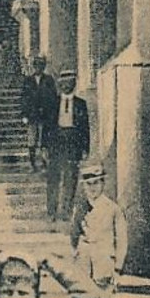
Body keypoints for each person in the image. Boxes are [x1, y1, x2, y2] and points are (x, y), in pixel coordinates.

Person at [71, 162, 135, 298]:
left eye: (96, 183)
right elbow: (73, 234)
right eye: (89, 184)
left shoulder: (112, 209)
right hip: (84, 265)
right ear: (84, 186)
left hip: (103, 266)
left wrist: (118, 267)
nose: (92, 188)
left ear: (103, 184)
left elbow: (122, 240)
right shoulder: (80, 208)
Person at [44, 69, 90, 223]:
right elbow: (47, 126)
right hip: (56, 143)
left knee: (71, 178)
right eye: (63, 83)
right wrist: (44, 146)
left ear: (74, 84)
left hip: (73, 144)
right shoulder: (52, 103)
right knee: (53, 178)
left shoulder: (80, 104)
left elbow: (85, 128)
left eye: (69, 82)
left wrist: (85, 148)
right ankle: (51, 211)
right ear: (59, 85)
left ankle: (66, 212)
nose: (66, 85)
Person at [21, 56, 59, 171]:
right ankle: (32, 164)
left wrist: (52, 114)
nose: (38, 68)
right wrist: (24, 115)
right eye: (36, 66)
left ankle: (44, 163)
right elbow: (24, 99)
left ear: (43, 67)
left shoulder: (49, 80)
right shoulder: (28, 80)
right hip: (32, 115)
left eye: (41, 66)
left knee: (44, 139)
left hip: (45, 115)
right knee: (32, 139)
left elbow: (53, 97)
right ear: (33, 67)